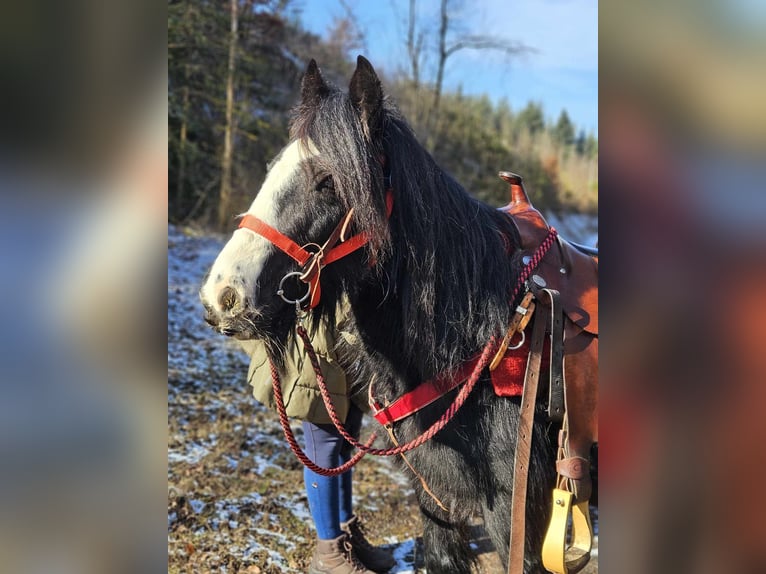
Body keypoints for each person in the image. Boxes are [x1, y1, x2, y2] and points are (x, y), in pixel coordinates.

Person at [242, 307, 396, 574]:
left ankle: (344, 534)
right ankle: (328, 552)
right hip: (309, 342)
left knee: (346, 441)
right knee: (323, 448)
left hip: (344, 339)